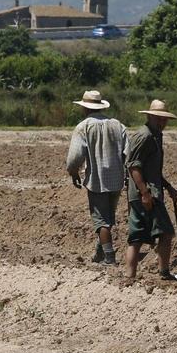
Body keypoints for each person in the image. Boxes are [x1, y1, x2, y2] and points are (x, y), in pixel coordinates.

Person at [66, 90, 127, 265]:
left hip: (97, 180)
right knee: (108, 218)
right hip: (116, 180)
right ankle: (99, 254)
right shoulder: (117, 125)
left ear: (85, 109)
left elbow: (75, 157)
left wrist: (73, 172)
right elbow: (127, 153)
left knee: (101, 221)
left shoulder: (83, 127)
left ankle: (109, 258)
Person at [123, 100, 177, 280]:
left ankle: (132, 276)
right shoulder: (145, 136)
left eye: (164, 119)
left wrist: (168, 186)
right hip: (146, 195)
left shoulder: (156, 135)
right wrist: (145, 193)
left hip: (151, 193)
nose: (162, 122)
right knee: (161, 232)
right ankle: (159, 273)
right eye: (159, 118)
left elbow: (152, 170)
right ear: (150, 116)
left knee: (142, 236)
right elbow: (133, 167)